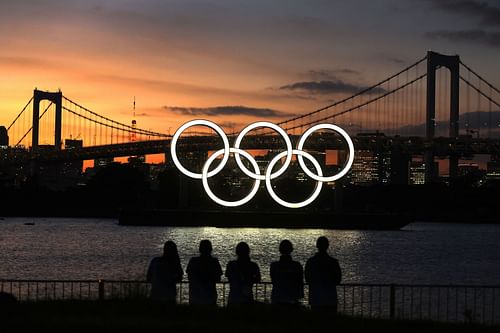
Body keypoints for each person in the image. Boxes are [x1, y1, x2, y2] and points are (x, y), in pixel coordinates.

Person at [305, 236, 342, 313]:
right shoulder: (333, 262)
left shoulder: (310, 262)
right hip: (330, 298)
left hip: (316, 298)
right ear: (327, 246)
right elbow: (338, 280)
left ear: (317, 245)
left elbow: (307, 279)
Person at [186, 239, 223, 305]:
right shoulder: (214, 262)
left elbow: (189, 277)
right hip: (210, 298)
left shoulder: (193, 261)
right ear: (211, 249)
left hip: (195, 297)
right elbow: (218, 279)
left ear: (200, 249)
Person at [270, 239, 304, 305]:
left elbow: (273, 280)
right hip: (292, 298)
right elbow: (300, 282)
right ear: (291, 250)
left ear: (280, 250)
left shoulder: (274, 266)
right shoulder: (297, 266)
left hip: (277, 297)